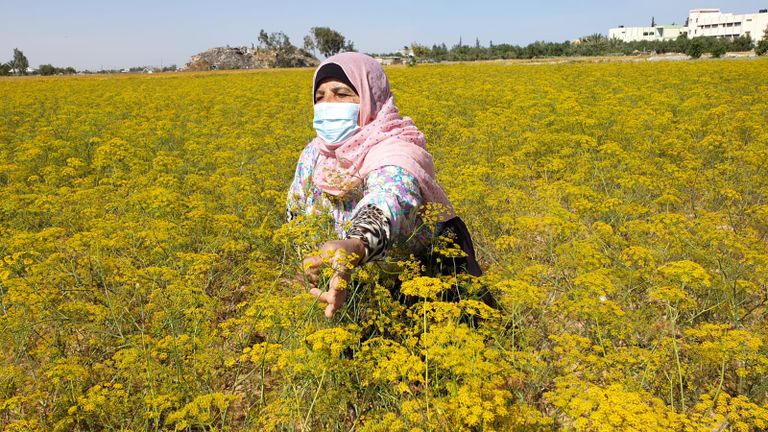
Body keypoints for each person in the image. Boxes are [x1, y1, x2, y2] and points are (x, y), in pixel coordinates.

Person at [286, 52, 481, 318]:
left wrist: (356, 244)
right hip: (344, 284)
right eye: (320, 97)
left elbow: (391, 197)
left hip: (417, 291)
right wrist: (305, 265)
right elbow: (296, 211)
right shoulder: (315, 154)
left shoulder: (395, 150)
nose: (328, 104)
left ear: (370, 97)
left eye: (342, 94)